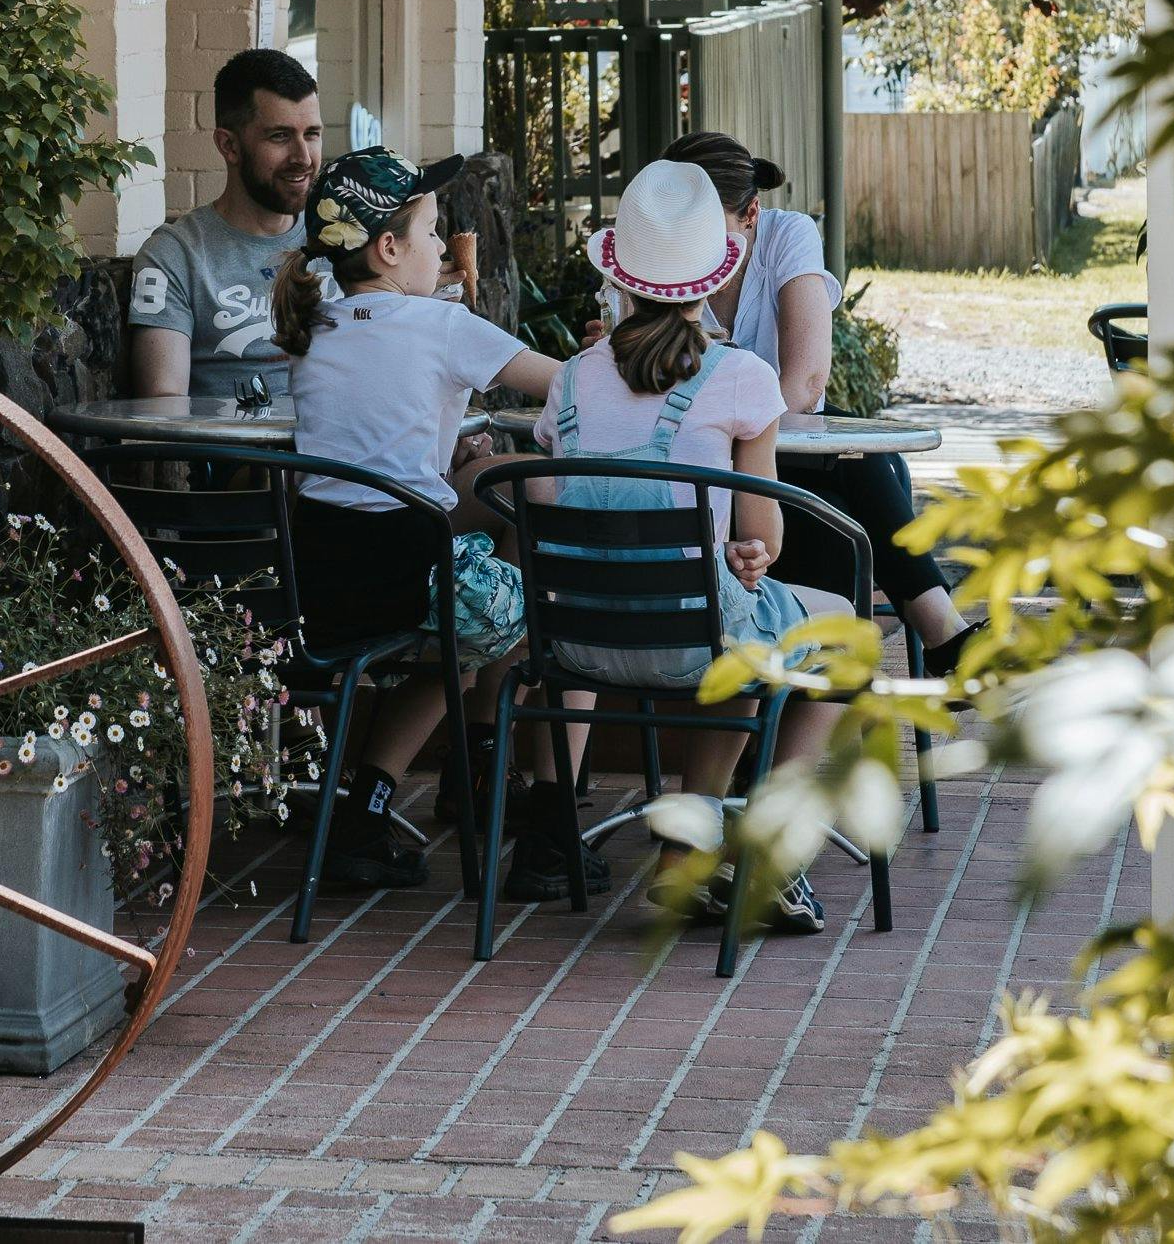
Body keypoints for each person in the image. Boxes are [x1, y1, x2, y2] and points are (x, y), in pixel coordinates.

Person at [523, 158, 856, 935]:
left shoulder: (571, 379)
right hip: (694, 635)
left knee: (738, 618)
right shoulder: (740, 375)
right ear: (718, 274)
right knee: (839, 627)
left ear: (620, 278)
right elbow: (761, 534)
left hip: (576, 644)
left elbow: (549, 500)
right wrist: (751, 554)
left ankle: (686, 854)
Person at [273, 147, 566, 887]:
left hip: (323, 574)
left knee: (494, 483)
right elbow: (560, 385)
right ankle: (498, 755)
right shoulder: (443, 329)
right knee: (532, 520)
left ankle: (365, 810)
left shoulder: (314, 325)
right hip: (410, 567)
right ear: (390, 247)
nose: (444, 245)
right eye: (434, 232)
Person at [660, 131, 976, 675]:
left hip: (784, 448)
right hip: (698, 459)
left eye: (708, 227)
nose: (691, 241)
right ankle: (939, 633)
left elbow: (805, 382)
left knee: (857, 479)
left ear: (752, 213)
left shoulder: (787, 235)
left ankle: (798, 707)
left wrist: (744, 434)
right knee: (854, 491)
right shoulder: (648, 252)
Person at [128, 49, 327, 405]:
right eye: (280, 136)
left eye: (311, 134)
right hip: (236, 453)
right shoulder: (175, 255)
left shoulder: (344, 237)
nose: (304, 157)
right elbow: (164, 406)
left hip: (353, 453)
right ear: (229, 145)